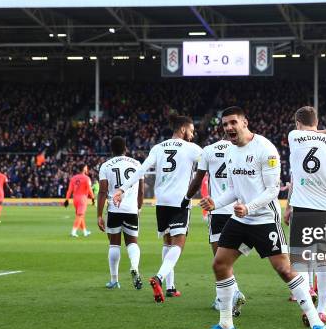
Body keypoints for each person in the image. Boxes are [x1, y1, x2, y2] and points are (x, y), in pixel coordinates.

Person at [195, 106, 326, 329]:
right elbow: (235, 190)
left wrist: (249, 207)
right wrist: (216, 202)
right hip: (240, 219)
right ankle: (226, 325)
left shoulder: (265, 149)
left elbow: (271, 191)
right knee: (220, 264)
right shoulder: (230, 152)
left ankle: (318, 325)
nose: (228, 128)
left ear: (245, 122)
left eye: (233, 123)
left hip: (264, 218)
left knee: (285, 270)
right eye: (225, 124)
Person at [113, 115, 202, 302]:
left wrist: (122, 189)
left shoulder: (158, 147)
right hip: (180, 201)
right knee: (179, 243)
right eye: (191, 131)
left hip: (161, 201)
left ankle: (171, 287)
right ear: (183, 129)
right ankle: (159, 278)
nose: (193, 135)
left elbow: (141, 170)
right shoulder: (191, 148)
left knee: (167, 242)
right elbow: (210, 163)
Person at [284, 106, 326, 324]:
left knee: (301, 263)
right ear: (317, 121)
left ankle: (309, 308)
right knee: (325, 261)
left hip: (302, 210)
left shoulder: (294, 136)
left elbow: (310, 135)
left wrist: (288, 206)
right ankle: (322, 309)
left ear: (297, 123)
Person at [182, 135, 246, 316]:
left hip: (218, 211)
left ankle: (231, 294)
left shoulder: (209, 150)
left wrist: (187, 198)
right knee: (228, 259)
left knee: (219, 259)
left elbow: (197, 179)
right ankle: (225, 297)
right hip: (240, 210)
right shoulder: (243, 149)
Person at [97, 136, 144, 290]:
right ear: (126, 149)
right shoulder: (137, 164)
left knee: (114, 243)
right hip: (131, 209)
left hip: (114, 209)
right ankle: (134, 267)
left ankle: (114, 280)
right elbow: (141, 190)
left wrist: (99, 215)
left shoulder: (105, 166)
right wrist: (139, 208)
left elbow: (103, 191)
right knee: (132, 242)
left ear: (111, 150)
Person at [65, 163, 95, 237]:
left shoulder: (73, 178)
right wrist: (93, 198)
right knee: (80, 215)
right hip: (82, 199)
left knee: (81, 216)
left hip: (75, 199)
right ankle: (73, 232)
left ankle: (85, 232)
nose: (87, 169)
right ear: (84, 169)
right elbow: (89, 189)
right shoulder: (87, 178)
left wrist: (67, 199)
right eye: (86, 168)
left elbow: (69, 190)